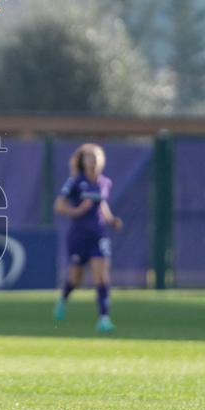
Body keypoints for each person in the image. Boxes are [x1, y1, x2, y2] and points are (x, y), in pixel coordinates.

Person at [53, 143, 123, 333]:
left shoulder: (104, 183)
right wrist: (75, 211)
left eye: (96, 156)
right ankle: (63, 298)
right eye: (89, 156)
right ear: (82, 161)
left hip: (98, 235)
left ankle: (104, 318)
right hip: (78, 235)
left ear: (102, 160)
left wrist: (111, 220)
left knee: (101, 274)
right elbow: (58, 206)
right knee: (76, 278)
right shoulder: (74, 182)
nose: (93, 160)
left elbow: (102, 205)